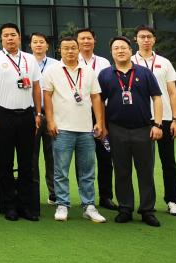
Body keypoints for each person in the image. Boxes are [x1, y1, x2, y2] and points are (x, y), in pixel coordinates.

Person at [98, 35, 164, 227]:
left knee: (145, 171)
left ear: (130, 50)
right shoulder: (105, 74)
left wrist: (157, 124)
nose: (120, 51)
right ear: (111, 53)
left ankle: (147, 210)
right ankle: (125, 208)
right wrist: (102, 125)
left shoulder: (144, 73)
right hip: (116, 129)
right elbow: (99, 101)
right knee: (121, 170)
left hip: (143, 129)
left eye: (123, 47)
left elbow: (157, 97)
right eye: (116, 48)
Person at [42, 35, 107, 224]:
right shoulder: (52, 71)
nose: (70, 51)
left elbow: (96, 97)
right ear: (60, 50)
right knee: (61, 170)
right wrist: (50, 121)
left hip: (86, 129)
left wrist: (99, 122)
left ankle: (89, 206)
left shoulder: (88, 71)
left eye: (73, 48)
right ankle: (62, 204)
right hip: (62, 129)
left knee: (87, 171)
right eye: (66, 48)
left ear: (78, 49)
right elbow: (47, 97)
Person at [0, 22, 42, 221]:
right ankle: (8, 205)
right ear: (0, 38)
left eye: (13, 35)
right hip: (4, 115)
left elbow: (36, 87)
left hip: (27, 115)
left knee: (27, 163)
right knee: (5, 162)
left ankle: (26, 206)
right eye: (6, 35)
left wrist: (38, 113)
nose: (10, 38)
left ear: (19, 37)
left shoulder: (30, 59)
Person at [133, 25, 176, 216]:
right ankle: (147, 202)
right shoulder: (130, 61)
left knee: (168, 162)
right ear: (136, 39)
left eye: (149, 37)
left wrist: (175, 119)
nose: (146, 40)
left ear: (154, 40)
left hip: (166, 118)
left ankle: (172, 201)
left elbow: (172, 92)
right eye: (142, 37)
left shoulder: (164, 62)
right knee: (145, 164)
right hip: (141, 119)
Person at [76, 27, 117, 211]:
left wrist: (102, 120)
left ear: (94, 41)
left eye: (89, 38)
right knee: (82, 158)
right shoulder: (71, 60)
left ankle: (106, 196)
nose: (86, 41)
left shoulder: (103, 62)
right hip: (78, 113)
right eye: (82, 39)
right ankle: (84, 197)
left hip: (101, 113)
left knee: (105, 156)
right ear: (77, 42)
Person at [30, 32, 59, 206]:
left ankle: (54, 193)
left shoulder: (56, 64)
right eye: (35, 42)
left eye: (42, 42)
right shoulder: (25, 62)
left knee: (52, 154)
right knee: (31, 155)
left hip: (51, 114)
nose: (38, 44)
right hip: (32, 114)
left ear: (47, 45)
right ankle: (33, 192)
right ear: (30, 45)